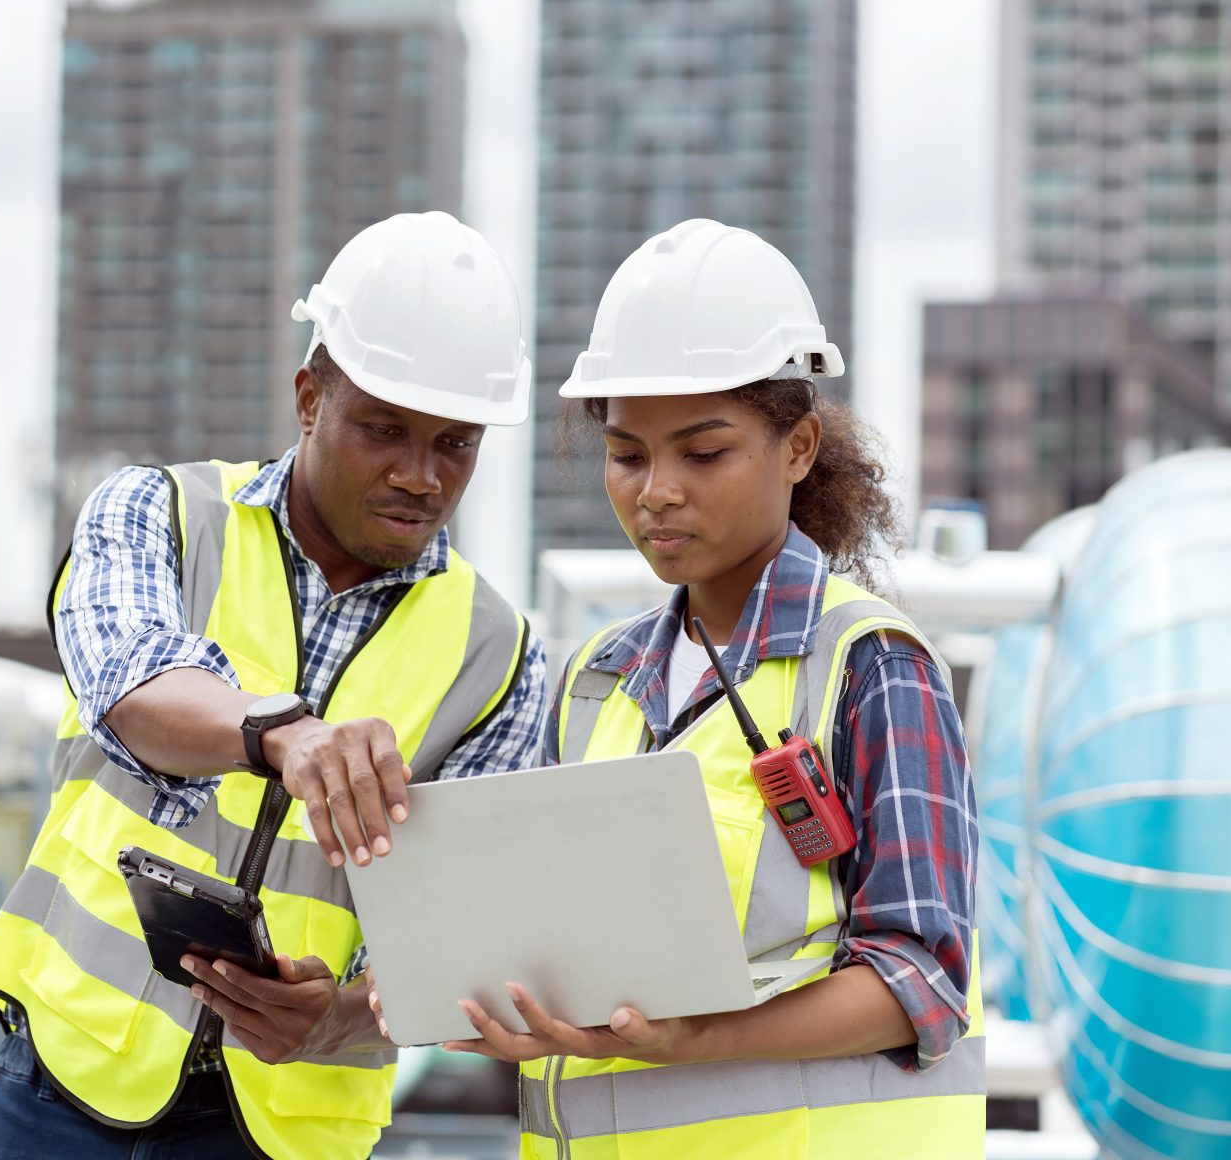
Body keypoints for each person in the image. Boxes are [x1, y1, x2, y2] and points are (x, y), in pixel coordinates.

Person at [0, 211, 550, 1160]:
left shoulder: (504, 655)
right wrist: (281, 730)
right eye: (383, 429)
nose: (418, 475)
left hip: (286, 1129)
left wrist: (344, 1016)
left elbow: (469, 945)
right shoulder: (161, 514)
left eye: (456, 443)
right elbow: (131, 685)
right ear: (309, 396)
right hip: (64, 1090)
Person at [399, 218, 984, 1157]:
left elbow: (920, 978)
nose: (657, 490)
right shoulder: (596, 682)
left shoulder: (871, 666)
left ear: (797, 448)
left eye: (702, 454)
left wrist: (695, 1040)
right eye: (628, 455)